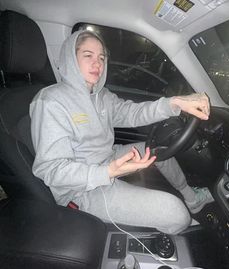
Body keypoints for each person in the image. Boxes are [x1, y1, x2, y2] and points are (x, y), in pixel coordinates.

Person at [30, 30, 213, 235]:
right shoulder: (51, 101)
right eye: (88, 55)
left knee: (156, 149)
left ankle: (191, 198)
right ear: (70, 59)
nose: (97, 63)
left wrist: (174, 103)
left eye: (101, 57)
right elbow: (51, 170)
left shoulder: (102, 96)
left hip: (108, 158)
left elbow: (132, 113)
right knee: (177, 214)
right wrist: (108, 172)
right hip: (81, 191)